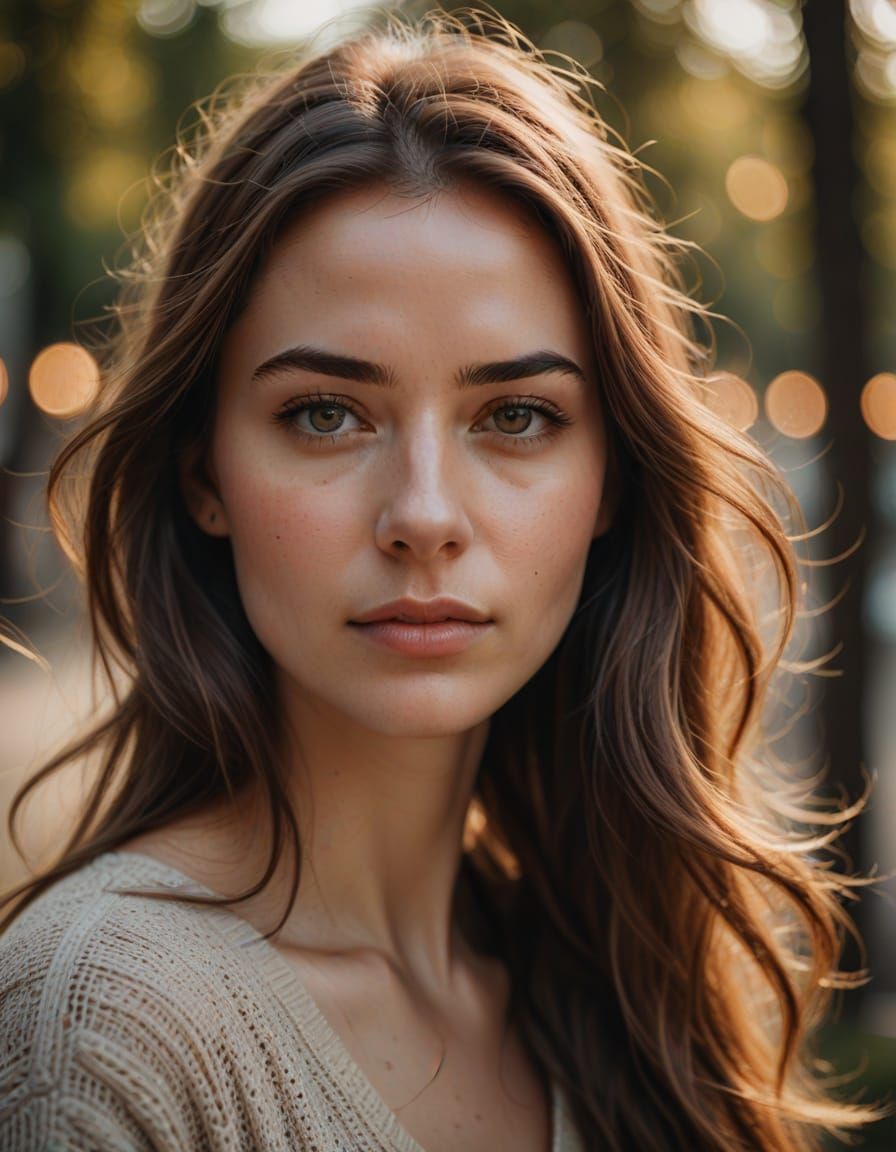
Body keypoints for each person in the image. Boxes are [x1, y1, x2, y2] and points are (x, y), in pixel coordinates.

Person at [0, 6, 887, 1151]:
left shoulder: (616, 986)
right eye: (324, 414)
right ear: (202, 472)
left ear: (611, 479)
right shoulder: (101, 1030)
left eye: (515, 415)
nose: (423, 516)